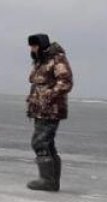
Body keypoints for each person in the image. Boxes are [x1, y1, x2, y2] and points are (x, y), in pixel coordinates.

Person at [25, 33, 73, 192]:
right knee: (47, 144)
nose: (32, 49)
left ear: (42, 45)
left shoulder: (56, 59)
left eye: (34, 45)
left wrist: (48, 95)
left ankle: (47, 180)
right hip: (40, 109)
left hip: (51, 109)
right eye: (31, 46)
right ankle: (51, 181)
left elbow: (66, 82)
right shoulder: (40, 61)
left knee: (39, 142)